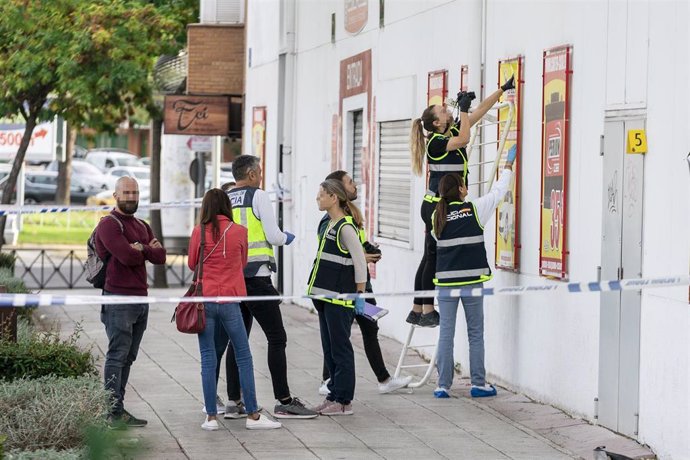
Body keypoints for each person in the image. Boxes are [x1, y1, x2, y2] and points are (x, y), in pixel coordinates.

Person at [408, 77, 515, 327]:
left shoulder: (452, 130)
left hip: (439, 203)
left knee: (428, 256)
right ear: (437, 123)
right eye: (443, 111)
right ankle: (425, 310)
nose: (448, 111)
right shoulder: (435, 143)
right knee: (431, 258)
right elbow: (466, 139)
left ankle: (418, 309)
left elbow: (481, 111)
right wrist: (463, 110)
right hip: (435, 205)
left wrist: (502, 88)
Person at [222, 155, 318, 419]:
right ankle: (284, 400)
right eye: (260, 171)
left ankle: (233, 402)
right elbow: (273, 236)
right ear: (251, 174)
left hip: (233, 278)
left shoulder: (226, 198)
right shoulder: (258, 196)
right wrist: (288, 237)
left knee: (237, 340)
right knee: (277, 338)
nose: (261, 176)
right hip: (257, 278)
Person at [188, 189, 281, 430]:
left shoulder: (198, 232)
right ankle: (252, 415)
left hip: (205, 301)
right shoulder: (240, 231)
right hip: (230, 301)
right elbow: (241, 263)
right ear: (227, 207)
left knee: (208, 358)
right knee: (243, 355)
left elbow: (191, 263)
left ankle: (210, 417)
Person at [431, 145, 517, 399]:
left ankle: (442, 385)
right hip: (471, 283)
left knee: (445, 333)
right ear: (461, 190)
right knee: (475, 333)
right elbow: (499, 192)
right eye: (464, 184)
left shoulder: (438, 216)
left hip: (446, 284)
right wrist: (508, 165)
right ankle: (478, 384)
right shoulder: (475, 210)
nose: (467, 187)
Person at [316, 171, 412, 395]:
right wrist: (363, 258)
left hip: (361, 286)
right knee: (337, 335)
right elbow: (333, 252)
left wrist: (369, 250)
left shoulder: (350, 216)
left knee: (368, 327)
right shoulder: (330, 220)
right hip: (347, 289)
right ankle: (329, 381)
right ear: (338, 191)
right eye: (350, 182)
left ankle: (384, 379)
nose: (355, 185)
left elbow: (357, 247)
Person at [95, 176, 166, 427]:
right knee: (117, 355)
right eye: (126, 193)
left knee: (129, 357)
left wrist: (142, 248)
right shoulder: (109, 225)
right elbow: (125, 256)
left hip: (140, 299)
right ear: (115, 195)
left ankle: (119, 409)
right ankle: (113, 412)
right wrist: (143, 248)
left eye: (135, 193)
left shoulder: (141, 224)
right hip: (118, 300)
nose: (131, 197)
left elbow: (161, 256)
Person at [308, 179, 368, 415]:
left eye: (321, 195)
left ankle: (344, 400)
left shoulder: (345, 227)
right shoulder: (330, 224)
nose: (318, 198)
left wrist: (360, 295)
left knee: (340, 349)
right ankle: (334, 394)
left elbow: (360, 262)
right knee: (329, 349)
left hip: (339, 300)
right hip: (325, 298)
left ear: (334, 198)